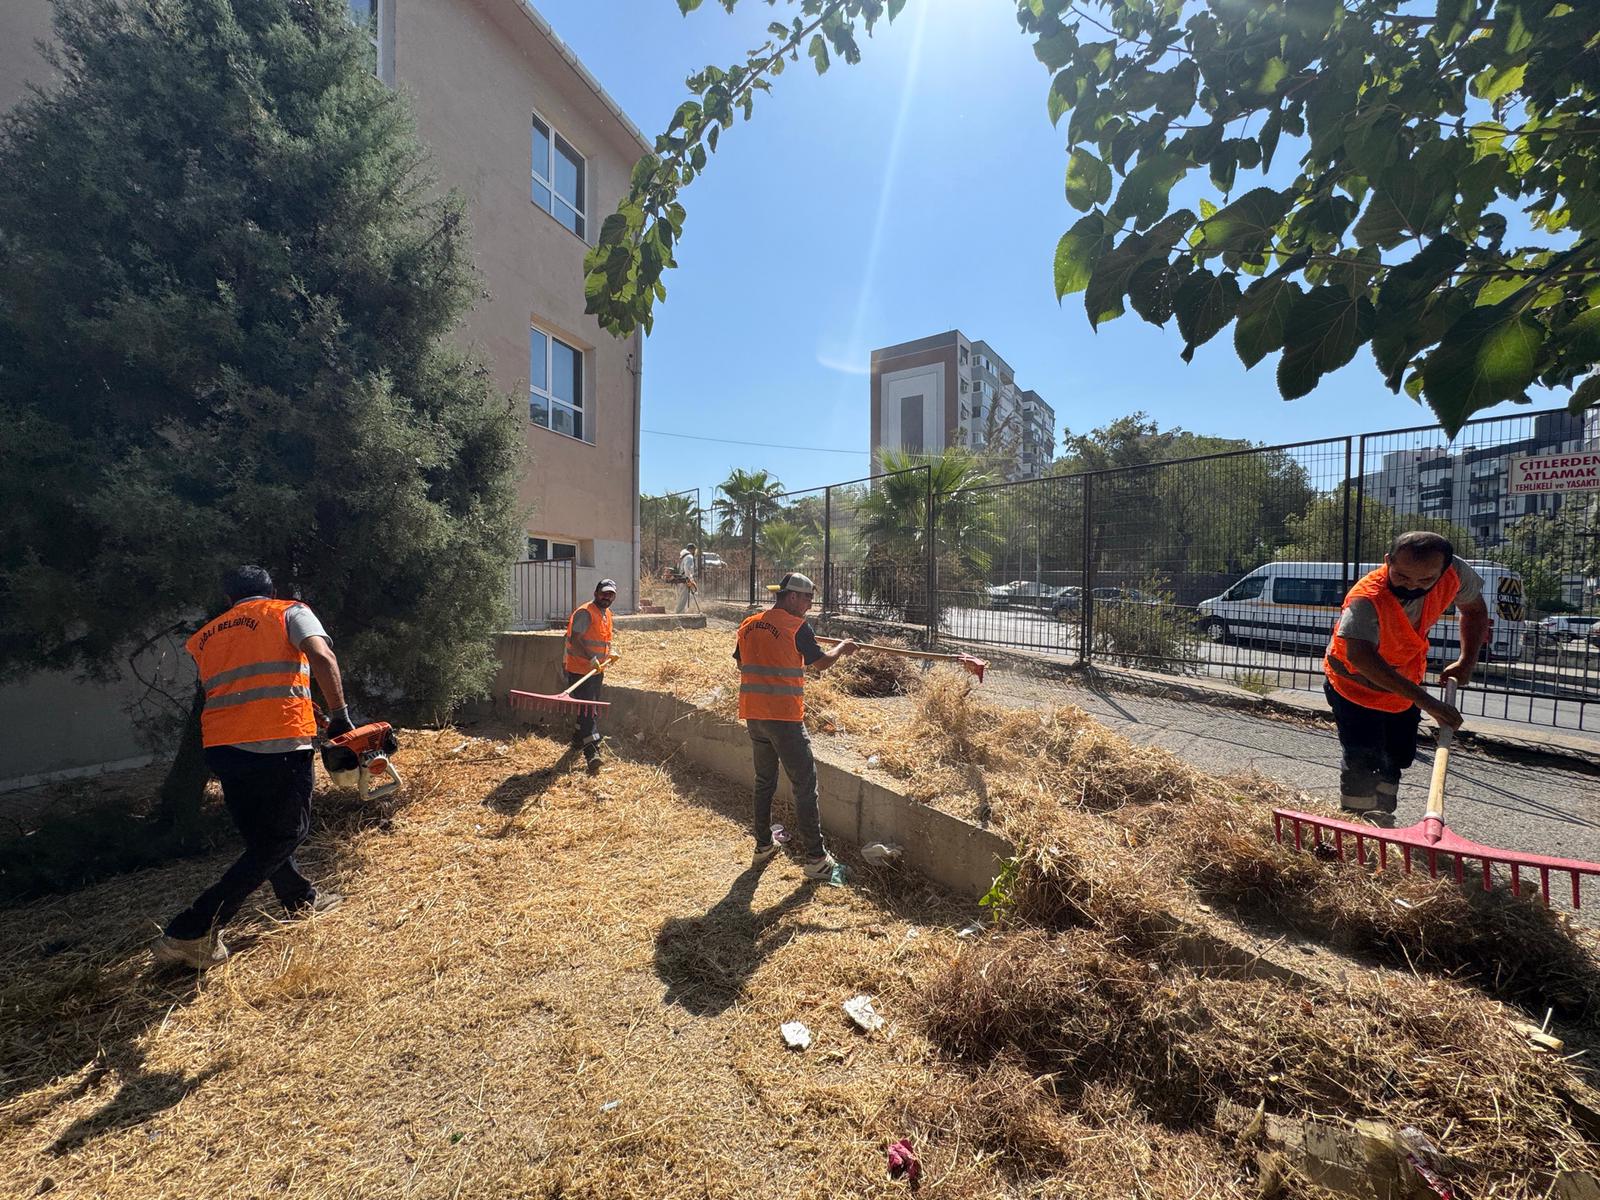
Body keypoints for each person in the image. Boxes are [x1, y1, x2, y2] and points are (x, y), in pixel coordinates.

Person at [153, 565, 351, 969]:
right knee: (287, 834)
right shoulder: (288, 612)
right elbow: (321, 654)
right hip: (278, 739)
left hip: (223, 745)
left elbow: (241, 685)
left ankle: (300, 900)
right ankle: (193, 929)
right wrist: (341, 714)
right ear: (271, 590)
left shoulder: (206, 635)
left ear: (229, 599)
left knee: (263, 835)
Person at [1323, 531, 1490, 818]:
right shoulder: (1366, 598)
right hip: (1355, 686)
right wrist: (1429, 703)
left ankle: (1382, 816)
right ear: (1388, 561)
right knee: (1364, 757)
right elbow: (1360, 656)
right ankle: (1355, 825)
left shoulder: (1456, 574)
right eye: (1401, 576)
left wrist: (1466, 661)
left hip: (1401, 686)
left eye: (1425, 580)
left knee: (1397, 755)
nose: (1412, 586)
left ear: (1443, 570)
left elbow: (1475, 611)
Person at [734, 572, 858, 878]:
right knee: (805, 786)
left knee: (764, 782)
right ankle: (816, 859)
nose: (810, 606)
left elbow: (740, 662)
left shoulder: (749, 624)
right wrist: (843, 647)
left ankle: (763, 845)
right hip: (784, 719)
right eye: (807, 599)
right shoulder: (797, 626)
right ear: (791, 597)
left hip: (754, 715)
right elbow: (821, 663)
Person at [564, 578, 617, 771]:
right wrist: (591, 657)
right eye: (604, 593)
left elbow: (603, 639)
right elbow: (575, 639)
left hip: (596, 670)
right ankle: (592, 752)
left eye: (611, 594)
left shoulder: (607, 613)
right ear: (596, 593)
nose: (607, 597)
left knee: (587, 707)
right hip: (579, 669)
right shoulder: (586, 612)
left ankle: (578, 739)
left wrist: (610, 653)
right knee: (589, 710)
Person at [674, 542, 698, 614]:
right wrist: (690, 579)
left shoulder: (682, 556)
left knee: (680, 597)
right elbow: (687, 569)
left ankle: (681, 611)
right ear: (692, 550)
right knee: (683, 598)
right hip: (685, 579)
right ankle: (679, 613)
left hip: (679, 579)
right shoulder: (689, 557)